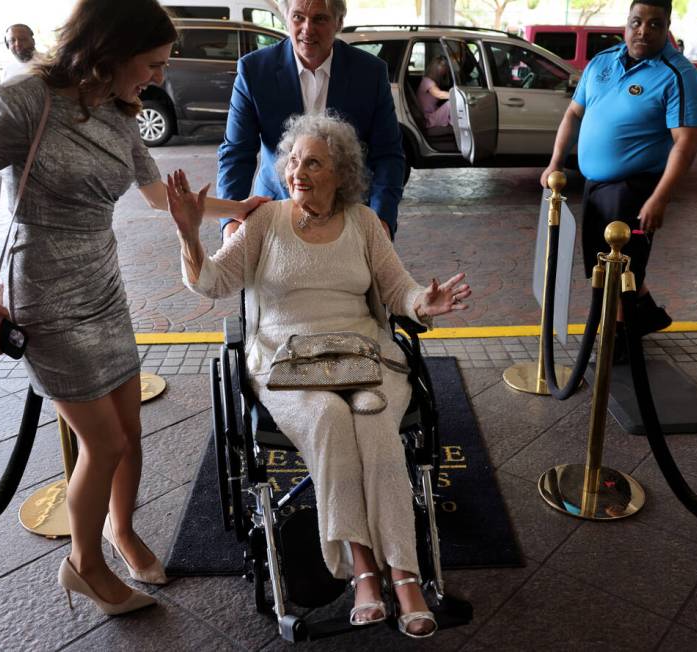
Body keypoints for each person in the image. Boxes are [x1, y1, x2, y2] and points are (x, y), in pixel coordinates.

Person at [0, 0, 263, 616]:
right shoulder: (25, 102)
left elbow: (155, 194)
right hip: (46, 298)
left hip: (104, 287)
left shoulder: (119, 108)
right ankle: (83, 565)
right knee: (105, 442)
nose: (160, 78)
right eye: (152, 63)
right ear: (110, 51)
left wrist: (236, 209)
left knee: (131, 431)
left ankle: (121, 530)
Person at [168, 113, 471, 638]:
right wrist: (189, 235)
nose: (297, 171)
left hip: (364, 351)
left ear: (341, 172)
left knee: (375, 423)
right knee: (329, 419)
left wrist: (426, 301)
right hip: (285, 358)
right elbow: (213, 282)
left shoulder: (364, 223)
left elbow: (399, 290)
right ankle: (363, 571)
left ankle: (405, 575)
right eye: (292, 160)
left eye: (313, 162)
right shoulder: (263, 222)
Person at [540, 0, 697, 359]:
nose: (643, 30)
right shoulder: (602, 63)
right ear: (625, 24)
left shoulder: (678, 74)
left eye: (654, 24)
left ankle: (617, 344)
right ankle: (648, 315)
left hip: (637, 187)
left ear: (667, 27)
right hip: (596, 186)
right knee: (607, 262)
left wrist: (660, 197)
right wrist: (555, 161)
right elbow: (573, 113)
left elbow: (686, 143)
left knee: (618, 267)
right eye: (636, 22)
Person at [217, 0, 404, 240]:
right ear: (286, 18)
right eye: (298, 17)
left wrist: (382, 222)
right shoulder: (254, 71)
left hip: (348, 220)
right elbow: (236, 154)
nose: (307, 28)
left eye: (319, 19)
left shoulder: (370, 73)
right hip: (277, 214)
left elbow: (388, 155)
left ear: (339, 22)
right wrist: (231, 221)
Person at [416, 56, 451, 128]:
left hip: (431, 114)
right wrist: (457, 95)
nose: (445, 73)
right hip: (428, 118)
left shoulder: (428, 80)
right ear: (436, 69)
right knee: (452, 103)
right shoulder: (427, 81)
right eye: (444, 70)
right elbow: (439, 94)